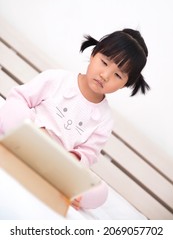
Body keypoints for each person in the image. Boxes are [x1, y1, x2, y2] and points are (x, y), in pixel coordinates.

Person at [0, 28, 150, 210]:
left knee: (100, 193)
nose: (105, 75)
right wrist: (37, 130)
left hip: (58, 160)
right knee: (12, 108)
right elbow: (20, 98)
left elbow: (88, 154)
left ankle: (53, 175)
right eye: (104, 62)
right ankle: (31, 149)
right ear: (94, 54)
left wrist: (72, 159)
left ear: (124, 85)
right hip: (30, 133)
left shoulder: (105, 120)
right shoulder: (57, 79)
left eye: (118, 75)